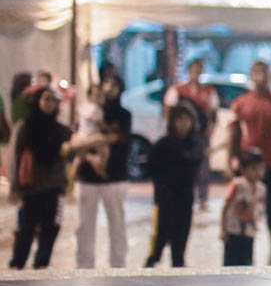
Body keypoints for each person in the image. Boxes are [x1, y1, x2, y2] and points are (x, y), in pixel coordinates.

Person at [229, 60, 271, 265]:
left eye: (264, 72)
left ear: (270, 75)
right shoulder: (240, 103)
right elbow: (233, 134)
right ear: (251, 75)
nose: (261, 76)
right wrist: (231, 160)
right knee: (245, 208)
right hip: (247, 167)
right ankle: (245, 253)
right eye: (257, 72)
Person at [7, 87, 72, 269]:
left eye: (53, 100)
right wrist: (14, 187)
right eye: (46, 99)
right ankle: (18, 264)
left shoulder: (60, 129)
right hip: (31, 186)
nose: (50, 104)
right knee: (27, 227)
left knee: (51, 227)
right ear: (38, 101)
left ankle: (41, 264)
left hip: (54, 186)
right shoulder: (25, 126)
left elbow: (71, 154)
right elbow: (15, 156)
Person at [75, 74, 131, 269]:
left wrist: (97, 142)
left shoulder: (123, 115)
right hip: (88, 177)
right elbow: (76, 141)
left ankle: (118, 265)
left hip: (115, 178)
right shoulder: (87, 111)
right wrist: (92, 156)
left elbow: (120, 139)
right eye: (106, 83)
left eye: (114, 84)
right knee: (85, 225)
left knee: (117, 224)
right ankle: (84, 266)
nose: (109, 88)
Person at [144, 104, 204, 268]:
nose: (183, 123)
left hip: (185, 199)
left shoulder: (195, 144)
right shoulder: (163, 144)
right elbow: (151, 166)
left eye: (186, 119)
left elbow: (193, 163)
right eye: (179, 119)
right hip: (165, 200)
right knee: (159, 241)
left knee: (179, 246)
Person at [163, 58, 219, 210]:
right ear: (188, 71)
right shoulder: (178, 89)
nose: (195, 73)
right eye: (193, 69)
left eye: (198, 69)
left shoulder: (208, 90)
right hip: (182, 136)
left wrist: (211, 128)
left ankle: (202, 199)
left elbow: (214, 113)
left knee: (202, 168)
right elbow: (168, 110)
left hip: (201, 135)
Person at [221, 148, 265, 266]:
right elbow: (225, 207)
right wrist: (223, 230)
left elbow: (259, 210)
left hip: (249, 233)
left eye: (260, 168)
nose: (258, 172)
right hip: (233, 232)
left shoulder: (261, 188)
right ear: (243, 169)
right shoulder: (237, 185)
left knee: (247, 263)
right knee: (230, 264)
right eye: (254, 169)